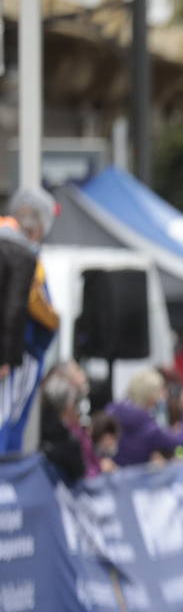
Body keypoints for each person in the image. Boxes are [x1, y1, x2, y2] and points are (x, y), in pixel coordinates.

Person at [1, 186, 60, 453]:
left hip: (17, 352)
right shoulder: (21, 252)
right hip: (21, 353)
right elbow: (22, 304)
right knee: (8, 424)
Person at [106, 368, 183, 467]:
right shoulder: (148, 427)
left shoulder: (112, 411)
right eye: (160, 392)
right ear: (151, 396)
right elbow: (179, 440)